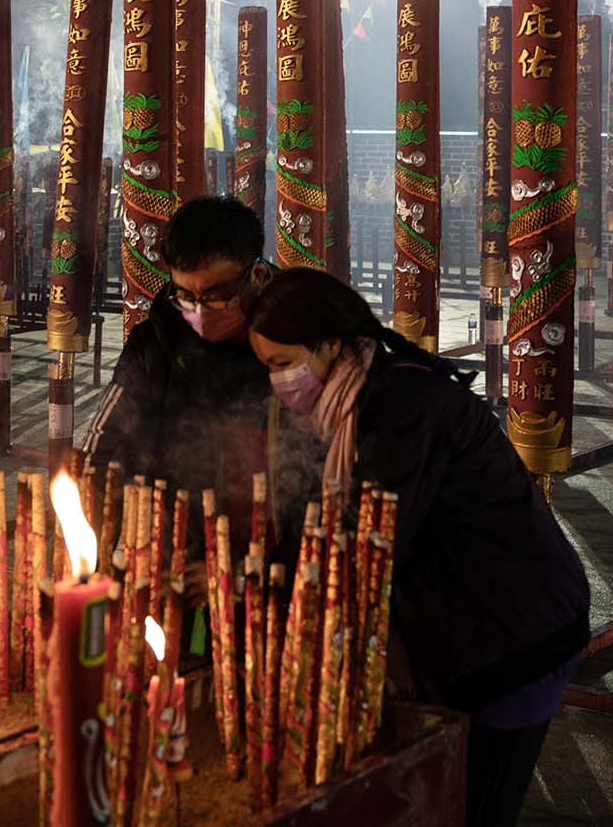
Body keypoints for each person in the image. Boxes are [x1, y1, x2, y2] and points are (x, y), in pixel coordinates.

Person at [247, 267, 589, 827]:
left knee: (477, 801)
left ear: (329, 345)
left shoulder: (403, 408)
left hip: (514, 630)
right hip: (465, 623)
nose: (276, 383)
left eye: (282, 363)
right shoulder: (353, 397)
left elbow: (368, 542)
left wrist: (269, 577)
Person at [83, 195, 308, 531]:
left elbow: (321, 466)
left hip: (270, 549)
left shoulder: (299, 345)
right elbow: (105, 442)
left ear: (258, 274)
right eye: (186, 296)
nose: (200, 311)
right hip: (170, 539)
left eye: (217, 296)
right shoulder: (155, 342)